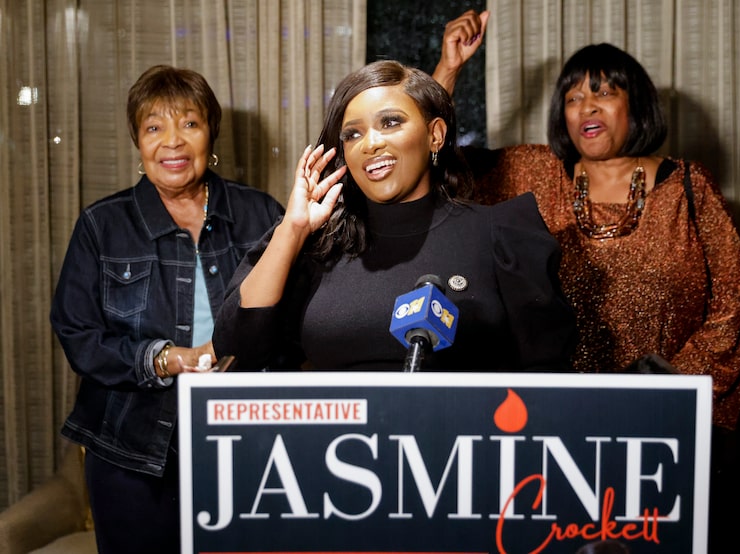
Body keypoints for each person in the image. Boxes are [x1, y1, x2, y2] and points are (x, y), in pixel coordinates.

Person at [432, 10, 740, 432]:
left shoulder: (689, 188)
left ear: (635, 103)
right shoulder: (534, 174)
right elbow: (432, 160)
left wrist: (674, 390)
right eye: (572, 98)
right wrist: (449, 68)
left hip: (664, 420)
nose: (586, 105)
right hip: (552, 418)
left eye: (603, 92)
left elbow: (735, 301)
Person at [50, 65, 284, 554]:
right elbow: (77, 333)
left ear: (210, 134)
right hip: (129, 452)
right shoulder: (101, 224)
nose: (172, 142)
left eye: (189, 124)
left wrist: (252, 361)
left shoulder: (261, 214)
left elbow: (298, 319)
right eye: (154, 127)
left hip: (244, 442)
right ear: (138, 141)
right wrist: (166, 357)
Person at [213, 60, 577, 373]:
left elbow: (547, 378)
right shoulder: (317, 243)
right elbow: (238, 349)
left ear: (435, 135)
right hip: (337, 449)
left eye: (390, 123)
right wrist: (293, 229)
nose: (370, 143)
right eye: (352, 134)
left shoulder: (500, 234)